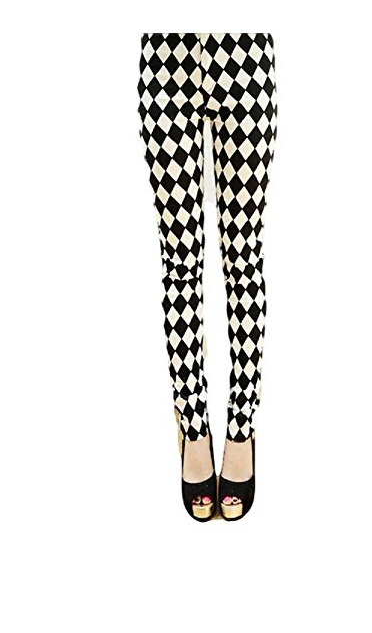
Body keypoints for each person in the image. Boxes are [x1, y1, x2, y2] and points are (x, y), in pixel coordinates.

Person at [137, 33, 278, 521]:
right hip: (165, 60)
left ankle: (242, 426)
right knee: (180, 261)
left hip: (244, 53)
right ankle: (193, 425)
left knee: (243, 255)